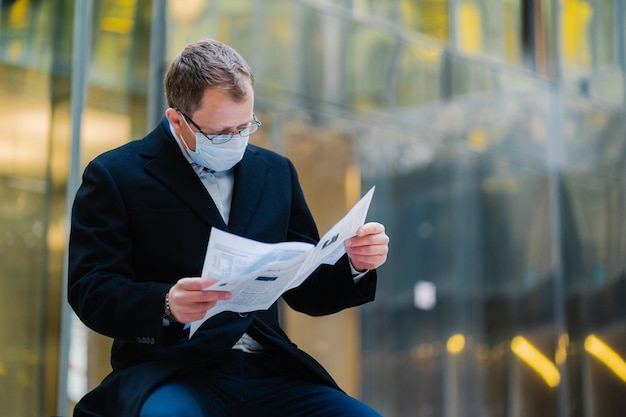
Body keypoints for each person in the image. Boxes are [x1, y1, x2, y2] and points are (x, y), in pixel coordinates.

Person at [68, 39, 389, 417]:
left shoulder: (276, 172)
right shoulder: (115, 175)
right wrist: (167, 304)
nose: (236, 141)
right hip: (171, 368)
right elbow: (91, 289)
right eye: (220, 134)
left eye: (246, 126)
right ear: (177, 120)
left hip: (271, 368)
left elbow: (307, 291)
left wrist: (355, 264)